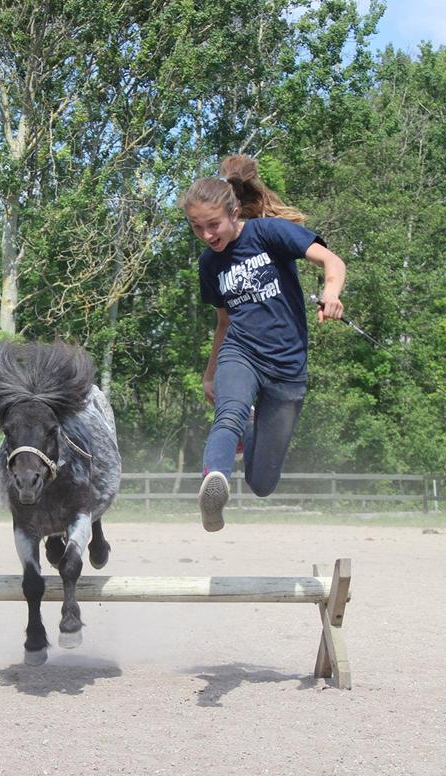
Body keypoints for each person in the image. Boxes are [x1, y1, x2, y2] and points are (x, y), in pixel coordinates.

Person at [184, 155, 346, 532]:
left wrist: (332, 293)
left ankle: (251, 430)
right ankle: (215, 483)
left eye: (213, 225)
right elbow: (223, 322)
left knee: (262, 483)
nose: (207, 236)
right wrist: (210, 374)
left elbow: (331, 260)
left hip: (287, 369)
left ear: (234, 212)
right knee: (227, 415)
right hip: (241, 353)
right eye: (197, 228)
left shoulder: (269, 233)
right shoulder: (210, 264)